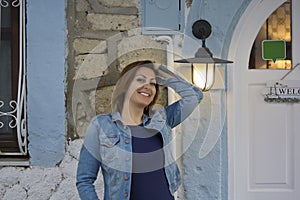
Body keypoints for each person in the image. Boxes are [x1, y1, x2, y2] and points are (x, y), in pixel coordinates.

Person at [76, 60, 203, 200]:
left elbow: (194, 96)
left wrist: (162, 72)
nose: (148, 86)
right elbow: (84, 180)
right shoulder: (101, 125)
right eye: (140, 80)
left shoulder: (161, 120)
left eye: (153, 83)